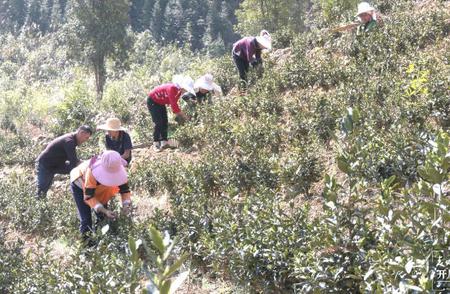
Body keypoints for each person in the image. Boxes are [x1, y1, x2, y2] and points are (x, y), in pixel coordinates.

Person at [69, 150, 132, 245]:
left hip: (99, 188)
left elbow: (125, 190)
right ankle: (87, 247)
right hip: (79, 183)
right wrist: (104, 210)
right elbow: (89, 197)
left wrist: (126, 206)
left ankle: (102, 243)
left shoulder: (117, 168)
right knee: (86, 219)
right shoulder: (92, 171)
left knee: (103, 217)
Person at [36, 125, 92, 198]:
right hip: (45, 165)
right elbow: (73, 162)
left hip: (55, 165)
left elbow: (73, 159)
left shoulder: (72, 139)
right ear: (81, 133)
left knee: (45, 188)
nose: (86, 140)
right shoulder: (69, 141)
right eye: (86, 138)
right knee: (42, 190)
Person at [146, 75, 196, 152]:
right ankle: (156, 144)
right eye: (186, 89)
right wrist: (184, 117)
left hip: (160, 102)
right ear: (183, 87)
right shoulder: (172, 88)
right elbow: (174, 106)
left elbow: (173, 104)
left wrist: (178, 113)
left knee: (165, 121)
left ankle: (164, 143)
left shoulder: (179, 91)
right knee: (158, 122)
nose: (186, 91)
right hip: (153, 101)